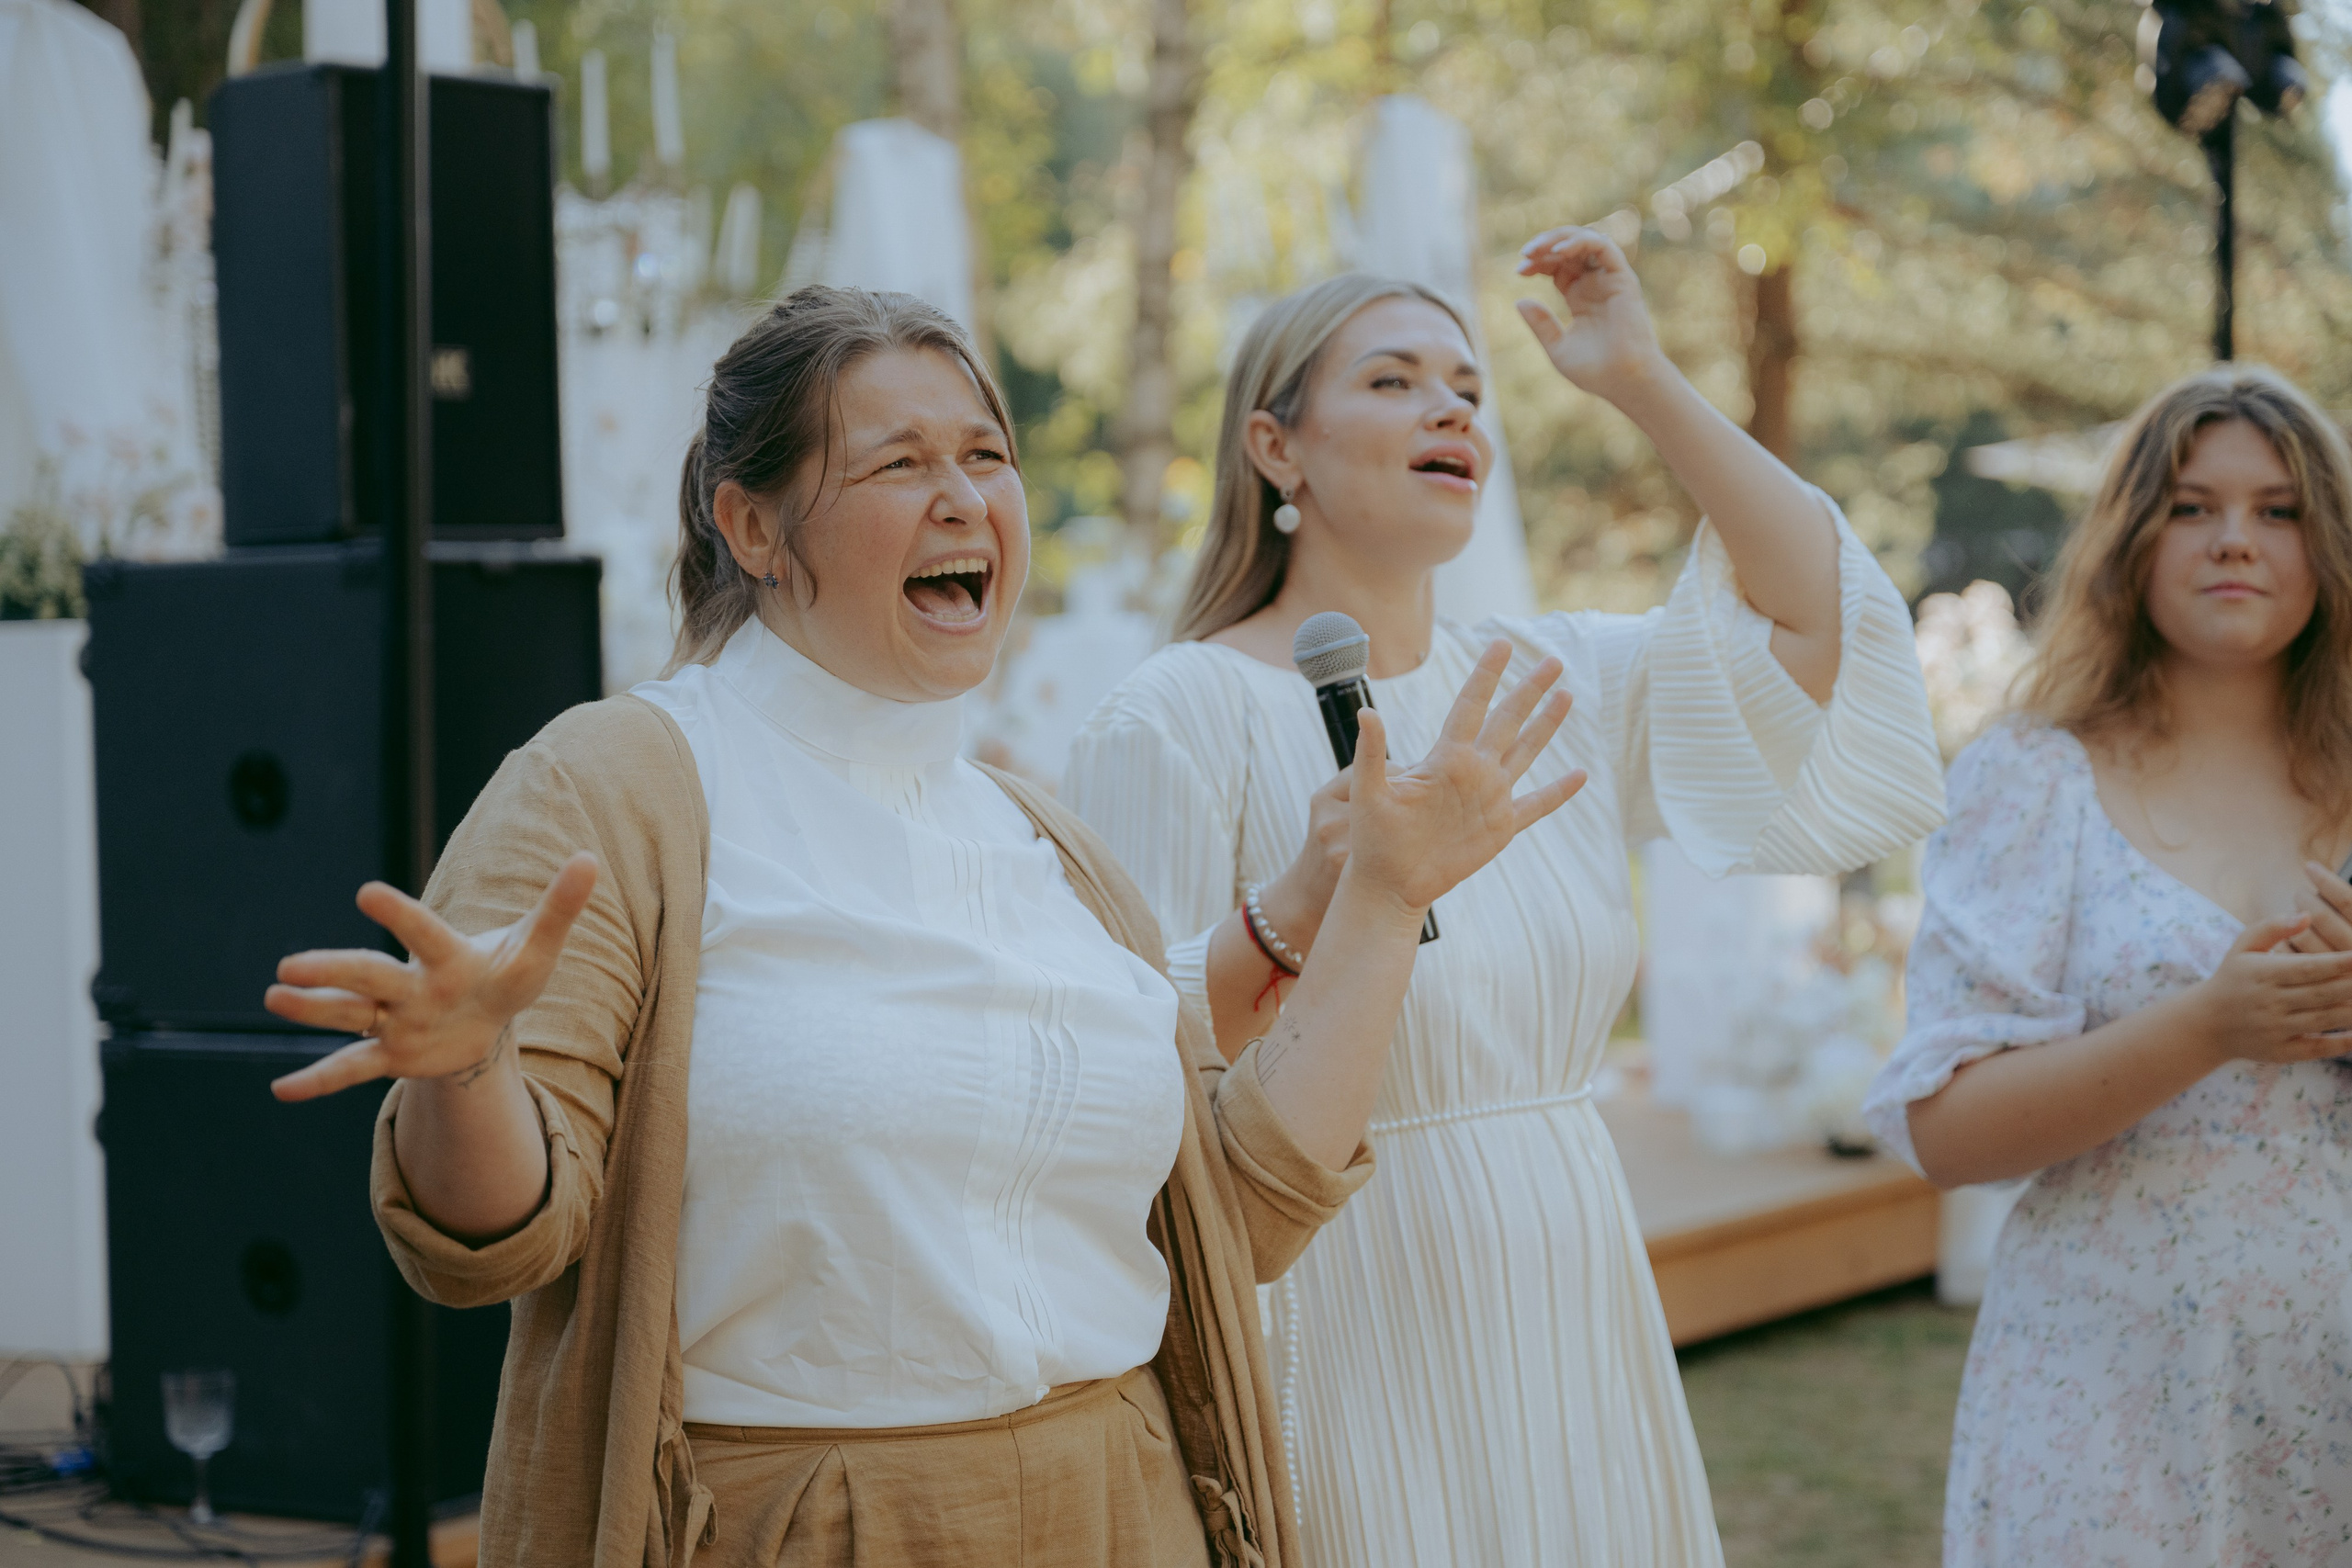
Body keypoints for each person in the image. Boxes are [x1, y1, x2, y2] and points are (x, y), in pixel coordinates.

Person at [259, 287, 1588, 1568]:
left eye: (986, 456)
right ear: (753, 526)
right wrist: (469, 1073)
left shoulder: (1045, 841)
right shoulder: (615, 787)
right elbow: (488, 1243)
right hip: (805, 1526)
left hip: (1129, 1510)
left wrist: (1380, 903)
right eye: (899, 463)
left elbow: (1233, 1217)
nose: (964, 498)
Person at [1060, 231, 1947, 1566]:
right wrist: (1309, 901)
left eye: (1468, 389)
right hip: (1349, 1306)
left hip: (1572, 1284)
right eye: (1394, 381)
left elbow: (1821, 620)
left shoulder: (1553, 677)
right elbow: (1129, 1067)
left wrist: (1641, 378)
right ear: (1276, 448)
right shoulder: (1174, 716)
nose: (1451, 410)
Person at [1862, 365, 2352, 1565]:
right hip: (2104, 1391)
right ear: (2130, 540)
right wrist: (2206, 1027)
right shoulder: (2034, 780)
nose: (2234, 538)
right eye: (2190, 507)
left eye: (2279, 510)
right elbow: (1949, 1133)